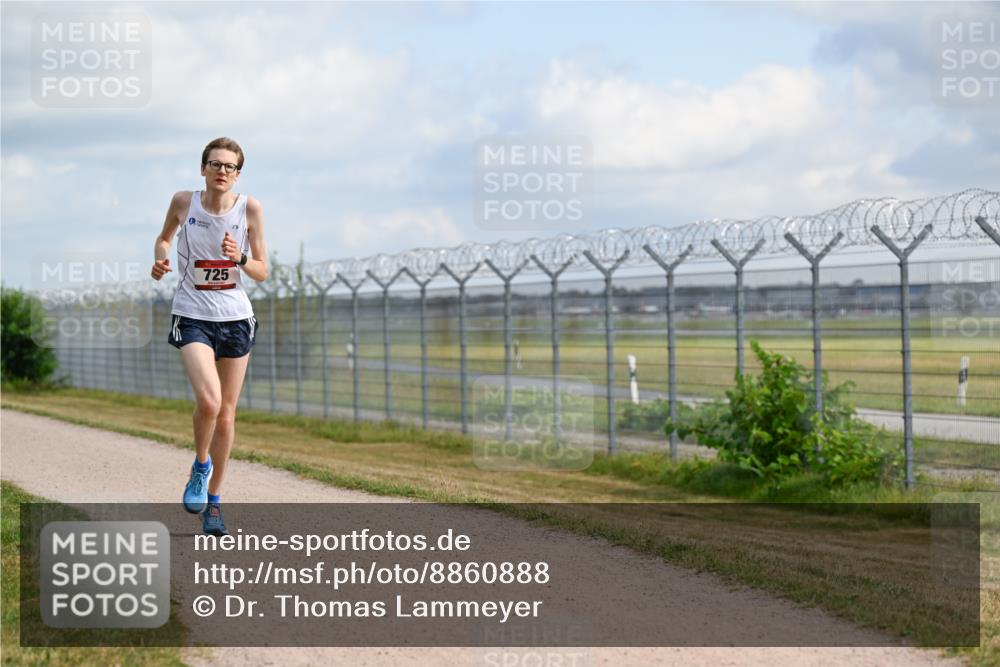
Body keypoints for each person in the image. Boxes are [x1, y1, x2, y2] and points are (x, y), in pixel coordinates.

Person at [150, 137, 268, 535]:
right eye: (215, 164)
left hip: (235, 317)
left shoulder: (249, 208)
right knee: (209, 400)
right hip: (192, 312)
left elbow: (262, 270)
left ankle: (214, 503)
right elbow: (164, 237)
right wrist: (160, 256)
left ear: (238, 174)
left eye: (230, 167)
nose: (222, 171)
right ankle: (201, 465)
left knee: (227, 413)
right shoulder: (185, 202)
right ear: (203, 169)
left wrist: (240, 258)